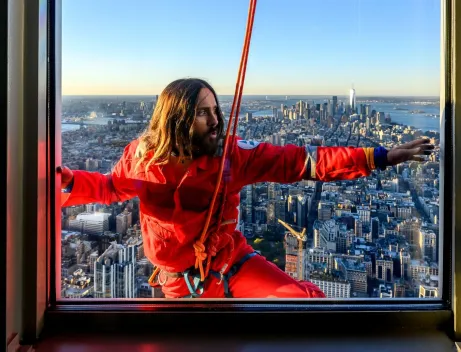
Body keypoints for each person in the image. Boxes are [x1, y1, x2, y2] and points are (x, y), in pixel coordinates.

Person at [59, 78, 434, 299]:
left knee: (306, 304)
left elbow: (302, 162)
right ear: (176, 119)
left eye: (215, 110)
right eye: (203, 112)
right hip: (176, 284)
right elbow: (110, 187)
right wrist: (63, 183)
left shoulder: (231, 156)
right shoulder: (144, 157)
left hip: (229, 263)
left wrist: (379, 156)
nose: (216, 120)